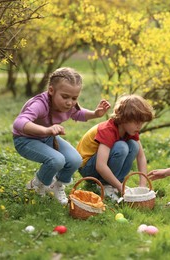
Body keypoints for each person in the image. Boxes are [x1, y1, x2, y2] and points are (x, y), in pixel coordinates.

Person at [12, 67, 111, 205]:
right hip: (25, 140)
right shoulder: (40, 104)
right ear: (51, 91)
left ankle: (56, 186)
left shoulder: (69, 105)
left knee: (75, 159)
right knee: (57, 160)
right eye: (65, 97)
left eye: (74, 98)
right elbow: (19, 122)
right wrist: (46, 130)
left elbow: (78, 113)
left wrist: (95, 114)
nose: (70, 102)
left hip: (46, 138)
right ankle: (37, 185)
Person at [77, 94, 154, 201]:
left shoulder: (130, 130)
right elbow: (100, 165)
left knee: (133, 145)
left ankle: (114, 183)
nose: (139, 126)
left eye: (141, 122)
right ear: (124, 118)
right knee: (121, 147)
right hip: (87, 168)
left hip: (99, 166)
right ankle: (105, 185)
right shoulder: (107, 130)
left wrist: (142, 185)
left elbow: (141, 157)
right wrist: (120, 187)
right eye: (136, 122)